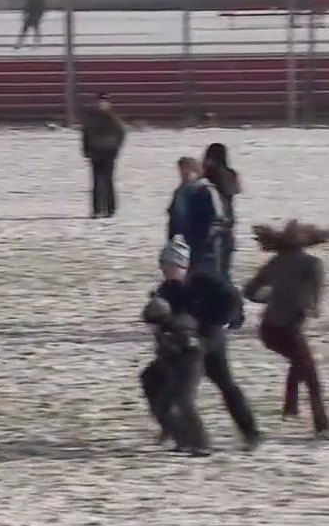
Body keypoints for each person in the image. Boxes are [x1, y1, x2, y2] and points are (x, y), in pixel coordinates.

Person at [140, 239, 262, 452]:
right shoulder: (167, 290)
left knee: (225, 384)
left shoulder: (207, 282)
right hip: (185, 346)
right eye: (163, 267)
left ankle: (250, 433)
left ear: (181, 265)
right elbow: (162, 319)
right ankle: (173, 428)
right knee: (151, 378)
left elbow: (233, 300)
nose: (165, 271)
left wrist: (220, 323)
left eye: (168, 266)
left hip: (211, 339)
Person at [247, 221, 328, 438]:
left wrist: (270, 298)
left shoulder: (275, 262)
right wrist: (309, 307)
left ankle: (290, 409)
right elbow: (310, 302)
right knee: (311, 376)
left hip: (268, 330)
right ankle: (323, 426)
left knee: (299, 360)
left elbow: (249, 291)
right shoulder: (313, 264)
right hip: (289, 327)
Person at [80, 92, 125, 218]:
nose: (102, 105)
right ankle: (97, 209)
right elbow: (86, 134)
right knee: (96, 181)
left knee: (107, 180)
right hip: (96, 152)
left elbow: (120, 134)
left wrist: (115, 148)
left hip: (108, 152)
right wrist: (86, 149)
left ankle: (110, 209)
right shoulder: (92, 119)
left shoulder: (113, 119)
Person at [202, 143, 241, 284]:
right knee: (225, 270)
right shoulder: (231, 174)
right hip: (228, 224)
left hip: (211, 227)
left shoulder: (207, 175)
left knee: (209, 270)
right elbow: (235, 191)